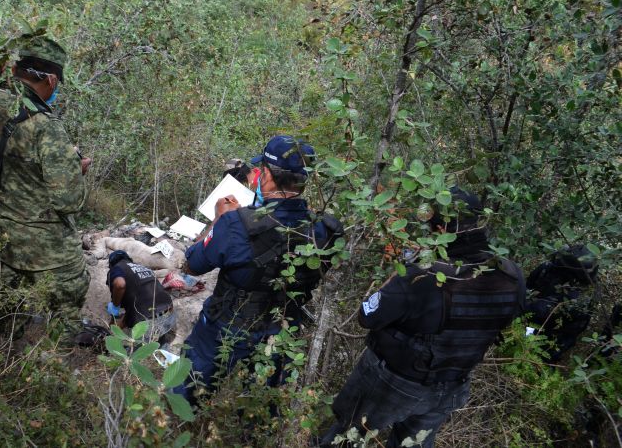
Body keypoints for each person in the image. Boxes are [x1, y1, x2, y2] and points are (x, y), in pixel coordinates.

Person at [319, 188, 526, 448]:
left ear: (440, 231)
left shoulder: (423, 277)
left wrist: (403, 270)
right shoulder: (511, 275)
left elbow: (367, 316)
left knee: (345, 437)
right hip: (452, 386)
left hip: (395, 381)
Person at [175, 135, 343, 404]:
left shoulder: (234, 224)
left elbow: (193, 265)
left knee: (184, 395)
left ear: (265, 175)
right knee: (259, 410)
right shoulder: (326, 229)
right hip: (282, 332)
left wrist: (219, 220)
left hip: (226, 327)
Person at [0, 34, 91, 339]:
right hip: (45, 246)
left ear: (16, 70)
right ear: (53, 80)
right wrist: (75, 169)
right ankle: (59, 363)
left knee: (9, 306)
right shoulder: (44, 125)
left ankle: (9, 357)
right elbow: (68, 200)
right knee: (66, 305)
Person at [526, 244, 599, 361]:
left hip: (556, 337)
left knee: (541, 360)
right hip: (531, 325)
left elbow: (540, 310)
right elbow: (528, 286)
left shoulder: (582, 297)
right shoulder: (547, 269)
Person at [105, 250, 175, 344]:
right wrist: (122, 324)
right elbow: (140, 302)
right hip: (170, 314)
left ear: (111, 264)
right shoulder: (144, 268)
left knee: (133, 353)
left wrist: (115, 306)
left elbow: (119, 285)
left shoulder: (117, 268)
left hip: (148, 322)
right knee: (158, 346)